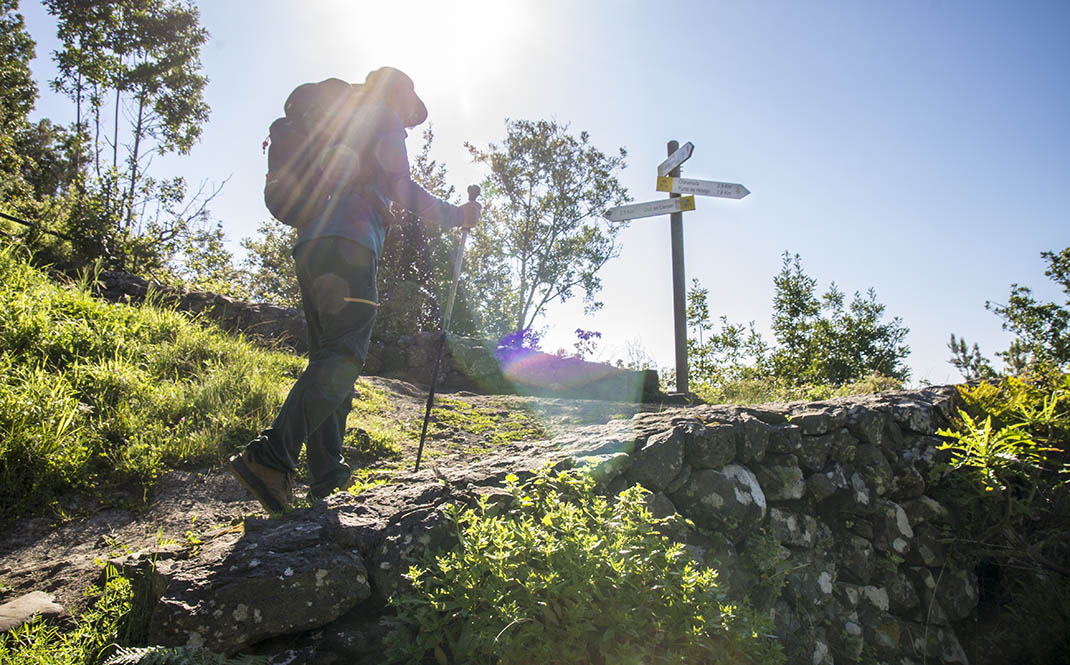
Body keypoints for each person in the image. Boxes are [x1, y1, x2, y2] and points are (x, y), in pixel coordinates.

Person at [227, 67, 481, 512]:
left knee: (332, 361)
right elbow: (402, 186)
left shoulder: (342, 122)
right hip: (349, 246)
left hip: (312, 245)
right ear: (399, 97)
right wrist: (457, 215)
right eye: (410, 109)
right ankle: (270, 457)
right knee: (344, 358)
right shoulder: (381, 114)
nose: (408, 122)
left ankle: (328, 477)